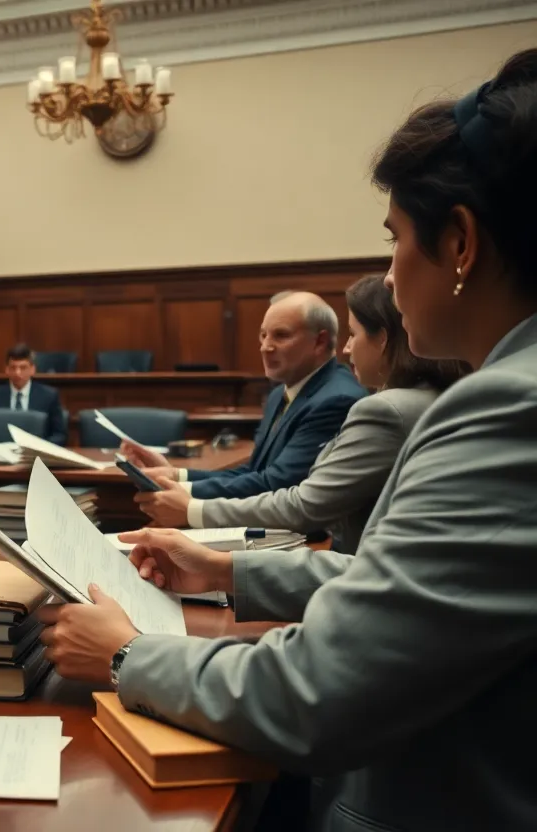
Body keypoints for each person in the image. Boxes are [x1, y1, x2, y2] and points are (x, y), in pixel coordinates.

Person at [39, 48, 537, 830]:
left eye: (395, 236)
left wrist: (129, 653)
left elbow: (322, 689)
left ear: (462, 244)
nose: (391, 271)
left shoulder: (508, 408)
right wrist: (222, 569)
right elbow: (404, 587)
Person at [134, 273, 469, 552]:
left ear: (383, 339)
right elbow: (260, 472)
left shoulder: (363, 404)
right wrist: (178, 478)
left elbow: (300, 500)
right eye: (263, 335)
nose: (348, 347)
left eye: (353, 334)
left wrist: (192, 509)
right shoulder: (282, 393)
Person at [122, 292, 365, 500]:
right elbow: (254, 472)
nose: (265, 347)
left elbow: (277, 484)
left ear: (319, 341)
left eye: (280, 335)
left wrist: (181, 490)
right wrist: (175, 474)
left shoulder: (335, 400)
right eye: (263, 335)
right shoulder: (280, 394)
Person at [0, 343, 67, 445]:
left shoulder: (49, 396)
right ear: (6, 369)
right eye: (13, 367)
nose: (17, 373)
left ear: (32, 369)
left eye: (23, 368)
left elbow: (60, 435)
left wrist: (41, 447)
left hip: (37, 456)